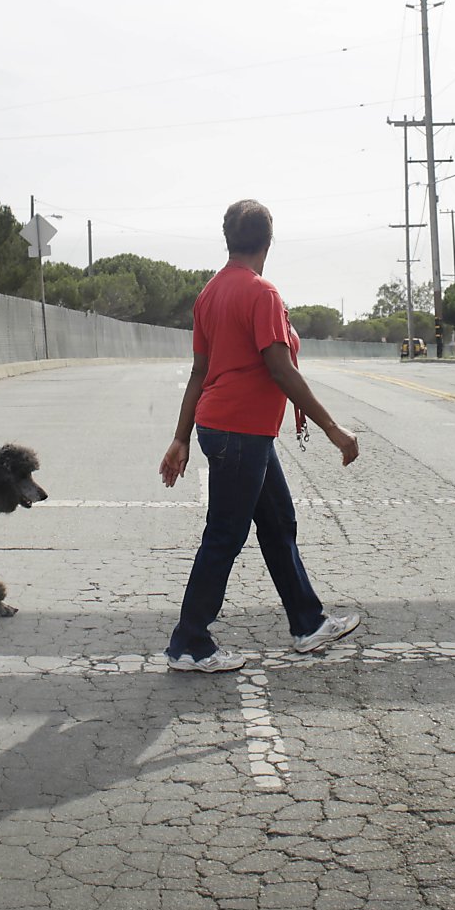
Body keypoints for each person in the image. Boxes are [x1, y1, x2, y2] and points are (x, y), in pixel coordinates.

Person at [160, 199, 361, 674]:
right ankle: (189, 642)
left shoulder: (210, 293)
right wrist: (332, 427)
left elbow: (199, 372)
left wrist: (182, 436)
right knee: (225, 534)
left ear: (228, 238)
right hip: (239, 433)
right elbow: (279, 366)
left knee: (277, 522)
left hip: (228, 428)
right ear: (269, 241)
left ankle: (307, 623)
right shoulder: (261, 293)